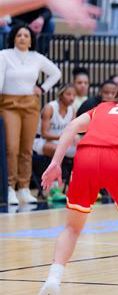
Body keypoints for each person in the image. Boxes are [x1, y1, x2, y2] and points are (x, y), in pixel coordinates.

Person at [35, 74, 118, 295]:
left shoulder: (103, 107)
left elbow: (72, 126)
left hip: (85, 157)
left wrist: (55, 163)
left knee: (72, 227)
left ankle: (54, 278)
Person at [0, 25, 61, 205]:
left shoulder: (37, 57)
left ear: (31, 39)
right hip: (8, 104)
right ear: (13, 38)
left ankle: (24, 189)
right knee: (12, 147)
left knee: (27, 148)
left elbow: (56, 73)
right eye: (19, 35)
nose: (22, 38)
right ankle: (10, 188)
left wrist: (42, 88)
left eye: (26, 35)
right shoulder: (4, 55)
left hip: (31, 105)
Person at [33, 84, 77, 201]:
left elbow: (73, 131)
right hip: (41, 141)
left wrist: (75, 138)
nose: (71, 98)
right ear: (61, 95)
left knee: (84, 151)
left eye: (74, 95)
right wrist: (63, 138)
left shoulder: (72, 111)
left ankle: (78, 186)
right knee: (58, 151)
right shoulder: (50, 108)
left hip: (60, 142)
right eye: (68, 94)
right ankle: (53, 190)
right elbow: (44, 134)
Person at [0, 0, 100, 30]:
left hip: (32, 24)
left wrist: (41, 19)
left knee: (49, 24)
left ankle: (43, 53)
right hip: (18, 24)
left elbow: (46, 11)